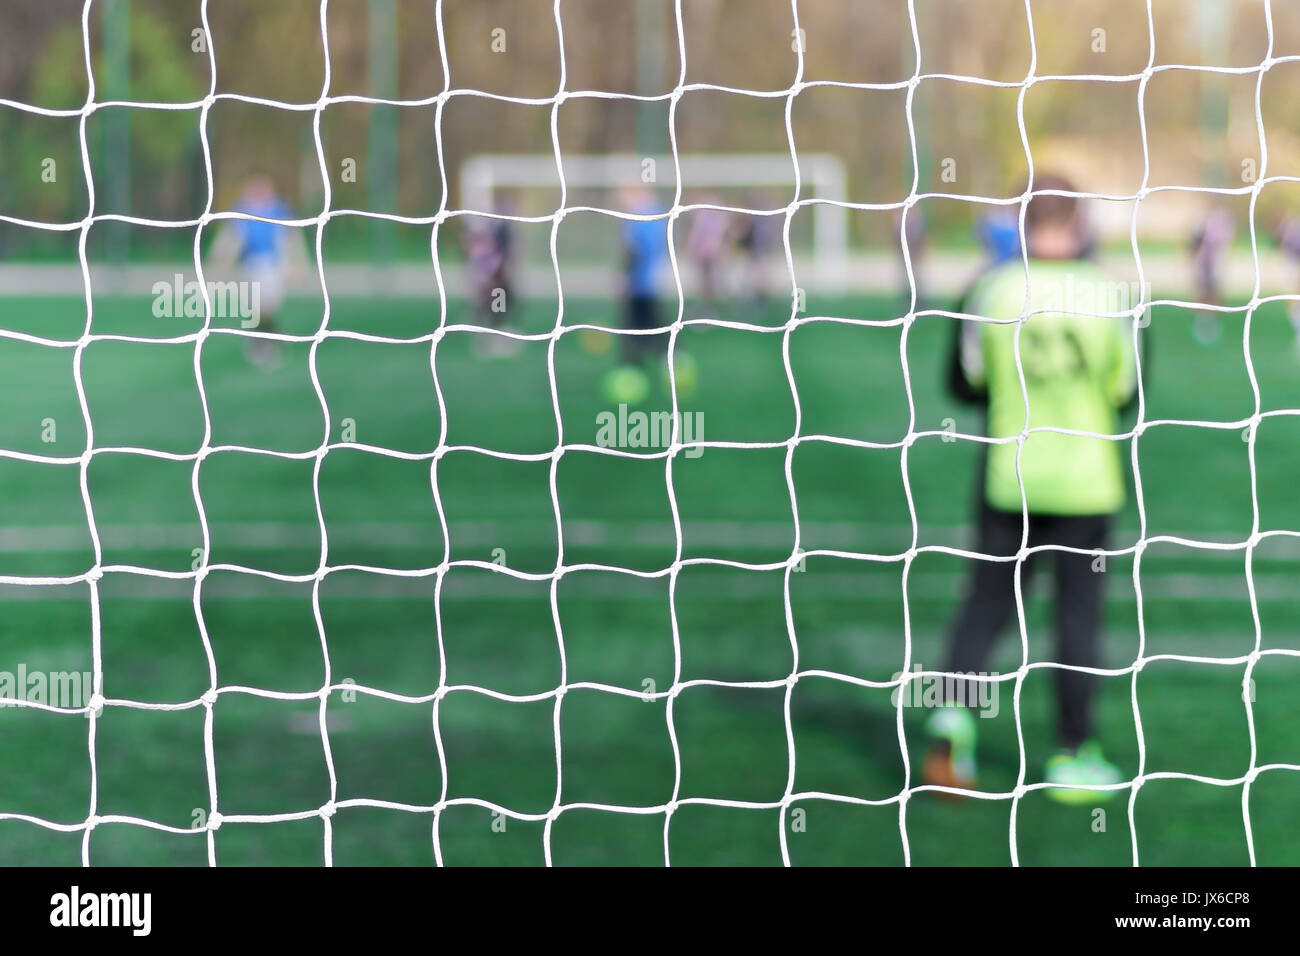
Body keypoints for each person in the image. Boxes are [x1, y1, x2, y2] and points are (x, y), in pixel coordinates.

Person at [924, 174, 1144, 804]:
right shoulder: (1111, 292)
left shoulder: (989, 289)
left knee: (986, 604)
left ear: (1019, 222)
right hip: (1085, 482)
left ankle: (952, 716)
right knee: (1077, 619)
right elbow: (1127, 394)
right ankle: (1073, 755)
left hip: (1009, 475)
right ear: (1078, 221)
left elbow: (964, 384)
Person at [602, 184, 695, 403]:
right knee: (655, 327)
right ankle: (675, 365)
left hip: (639, 284)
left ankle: (632, 375)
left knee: (634, 331)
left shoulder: (638, 218)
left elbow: (634, 251)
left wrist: (624, 278)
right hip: (652, 282)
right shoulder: (659, 213)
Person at [208, 175, 307, 367]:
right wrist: (219, 263)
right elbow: (229, 240)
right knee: (257, 308)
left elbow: (292, 239)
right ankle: (262, 343)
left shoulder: (280, 210)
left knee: (268, 307)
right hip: (251, 266)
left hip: (274, 265)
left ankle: (266, 341)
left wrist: (298, 264)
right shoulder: (241, 211)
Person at [462, 201, 519, 357]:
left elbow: (500, 257)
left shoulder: (496, 239)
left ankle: (497, 333)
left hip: (494, 276)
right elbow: (473, 257)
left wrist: (496, 273)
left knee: (499, 303)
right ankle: (486, 336)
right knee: (486, 304)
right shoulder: (478, 244)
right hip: (486, 275)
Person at [1189, 206, 1235, 345]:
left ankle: (1211, 321)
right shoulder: (1203, 224)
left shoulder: (1225, 224)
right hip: (1203, 265)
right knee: (1202, 294)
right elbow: (1193, 244)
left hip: (1215, 266)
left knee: (1215, 295)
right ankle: (1203, 322)